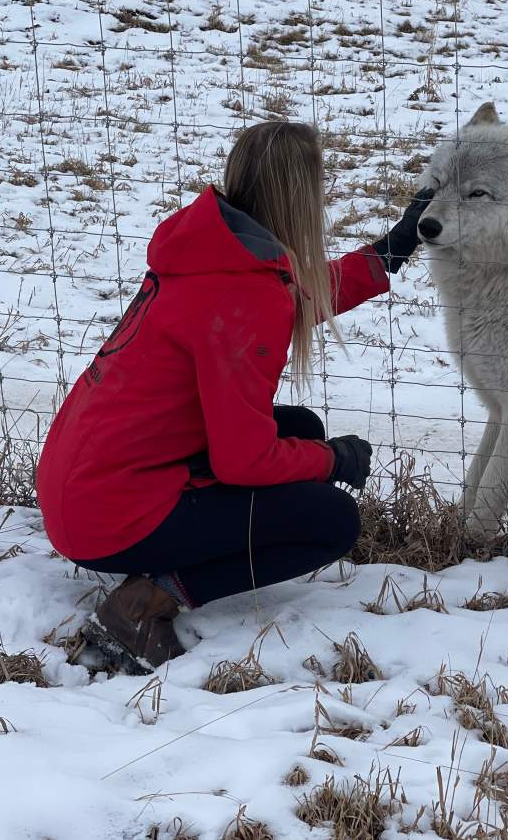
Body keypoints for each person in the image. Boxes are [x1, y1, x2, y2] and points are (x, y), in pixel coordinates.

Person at [36, 121, 432, 672]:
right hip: (111, 514)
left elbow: (290, 297)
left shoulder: (214, 249)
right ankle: (143, 603)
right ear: (302, 195)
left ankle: (165, 560)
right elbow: (243, 459)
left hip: (83, 487)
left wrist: (390, 251)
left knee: (299, 427)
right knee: (332, 519)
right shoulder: (245, 290)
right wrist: (333, 461)